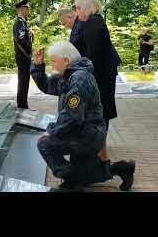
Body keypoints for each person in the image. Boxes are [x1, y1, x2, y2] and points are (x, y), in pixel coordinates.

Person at [31, 41, 134, 190]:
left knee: (45, 144)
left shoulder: (79, 79)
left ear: (66, 61)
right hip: (86, 132)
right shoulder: (71, 73)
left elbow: (72, 116)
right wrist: (38, 66)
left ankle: (72, 181)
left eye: (54, 61)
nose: (52, 65)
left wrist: (51, 131)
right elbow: (49, 86)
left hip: (86, 135)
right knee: (87, 173)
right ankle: (123, 169)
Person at [75, 0, 134, 189]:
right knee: (98, 124)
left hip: (100, 83)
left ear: (88, 7)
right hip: (100, 81)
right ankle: (109, 166)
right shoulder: (92, 23)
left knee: (98, 122)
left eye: (78, 8)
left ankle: (118, 169)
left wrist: (76, 73)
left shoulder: (94, 26)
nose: (77, 12)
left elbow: (92, 60)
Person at [13, 0, 34, 110]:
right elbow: (21, 39)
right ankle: (22, 106)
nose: (29, 10)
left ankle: (23, 104)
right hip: (23, 56)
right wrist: (30, 48)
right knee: (23, 81)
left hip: (23, 56)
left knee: (24, 81)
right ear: (22, 9)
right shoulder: (19, 23)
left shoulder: (23, 23)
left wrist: (30, 35)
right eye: (27, 8)